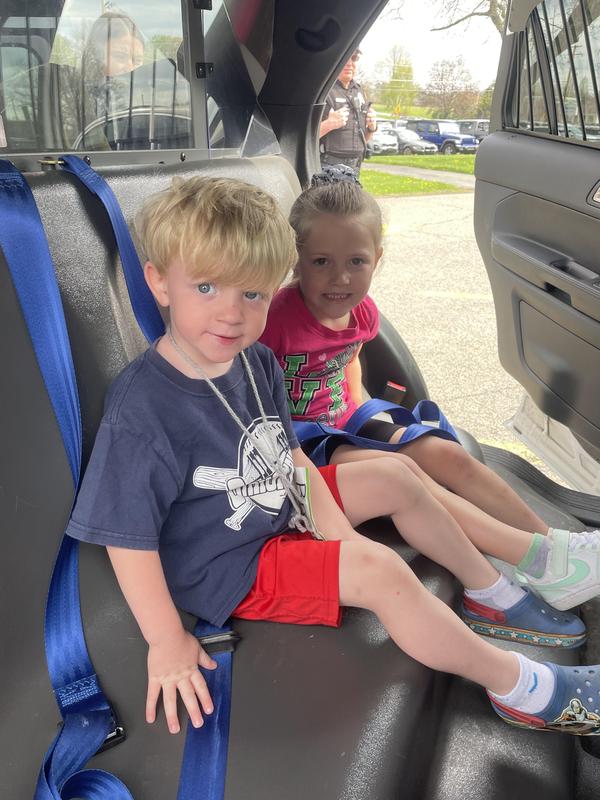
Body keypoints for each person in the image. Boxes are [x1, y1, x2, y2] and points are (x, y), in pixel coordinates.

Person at [66, 175, 600, 739]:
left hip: (278, 510)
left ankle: (489, 590)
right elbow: (128, 539)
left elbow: (293, 455)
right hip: (231, 563)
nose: (231, 314)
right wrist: (166, 640)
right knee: (382, 572)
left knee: (394, 475)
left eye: (252, 294)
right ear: (159, 282)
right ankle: (526, 690)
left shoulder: (254, 362)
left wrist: (340, 536)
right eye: (206, 287)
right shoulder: (143, 410)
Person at [259, 169, 600, 611]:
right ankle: (537, 561)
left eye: (356, 262)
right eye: (321, 262)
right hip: (301, 441)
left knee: (446, 453)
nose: (340, 278)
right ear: (296, 260)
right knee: (406, 473)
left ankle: (552, 544)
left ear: (377, 258)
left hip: (343, 421)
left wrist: (368, 416)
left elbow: (349, 363)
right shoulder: (275, 320)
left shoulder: (362, 313)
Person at [319, 49, 377, 175]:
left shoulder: (359, 91)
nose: (350, 63)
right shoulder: (323, 91)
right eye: (345, 59)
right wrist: (328, 124)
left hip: (355, 166)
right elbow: (305, 137)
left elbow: (363, 138)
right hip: (330, 166)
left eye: (354, 58)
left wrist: (372, 128)